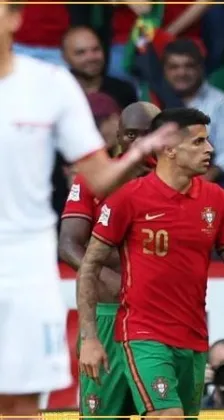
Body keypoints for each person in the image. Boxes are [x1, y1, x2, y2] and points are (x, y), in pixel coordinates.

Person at [0, 5, 182, 418]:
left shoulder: (49, 85)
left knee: (23, 402)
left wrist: (139, 153)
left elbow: (98, 176)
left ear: (15, 18)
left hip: (26, 267)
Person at [76, 108, 224, 419]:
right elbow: (89, 266)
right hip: (142, 333)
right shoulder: (128, 197)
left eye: (208, 140)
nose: (210, 149)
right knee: (168, 414)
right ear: (169, 149)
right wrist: (90, 338)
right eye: (198, 142)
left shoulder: (218, 199)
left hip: (194, 337)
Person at [58, 101, 161, 418]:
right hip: (108, 313)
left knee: (165, 410)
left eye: (148, 134)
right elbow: (68, 244)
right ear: (118, 137)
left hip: (161, 315)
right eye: (131, 134)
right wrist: (106, 279)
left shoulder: (183, 185)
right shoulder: (93, 180)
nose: (140, 143)